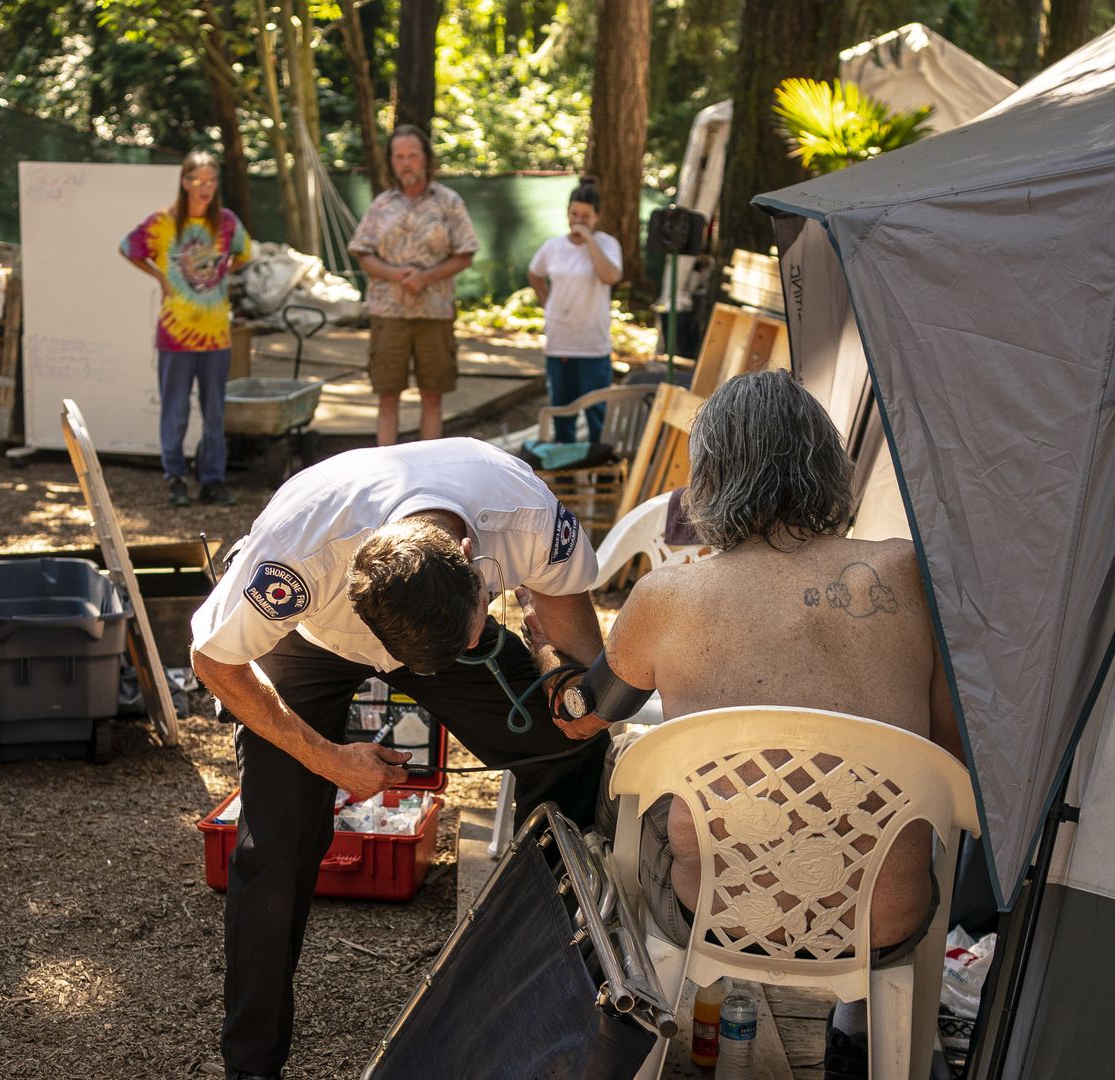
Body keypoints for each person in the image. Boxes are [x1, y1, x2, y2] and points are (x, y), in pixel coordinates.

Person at [523, 370, 964, 1080]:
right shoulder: (909, 573)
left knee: (624, 786)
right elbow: (945, 753)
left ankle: (652, 1012)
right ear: (828, 464)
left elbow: (583, 719)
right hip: (882, 922)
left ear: (709, 477)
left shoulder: (666, 595)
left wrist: (547, 652)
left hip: (722, 915)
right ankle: (862, 1024)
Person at [189, 438, 612, 1080]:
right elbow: (213, 659)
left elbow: (573, 639)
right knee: (278, 840)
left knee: (569, 744)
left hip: (443, 628)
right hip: (314, 639)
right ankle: (251, 1063)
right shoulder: (299, 552)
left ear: (474, 564)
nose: (402, 679)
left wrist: (566, 684)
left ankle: (543, 968)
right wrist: (329, 760)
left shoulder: (524, 514)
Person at [120, 149, 253, 508]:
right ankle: (175, 478)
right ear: (185, 182)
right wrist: (160, 276)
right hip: (174, 336)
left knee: (214, 412)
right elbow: (127, 247)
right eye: (198, 180)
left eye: (211, 181)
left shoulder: (226, 222)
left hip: (216, 337)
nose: (205, 187)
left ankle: (212, 480)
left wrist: (221, 275)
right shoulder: (165, 221)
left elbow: (245, 253)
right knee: (175, 410)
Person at [347, 125, 479, 446]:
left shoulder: (449, 201)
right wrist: (395, 274)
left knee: (432, 395)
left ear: (425, 159)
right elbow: (362, 252)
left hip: (434, 313)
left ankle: (429, 474)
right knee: (387, 395)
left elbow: (466, 253)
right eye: (399, 157)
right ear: (391, 161)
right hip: (388, 312)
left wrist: (426, 277)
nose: (406, 163)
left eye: (412, 156)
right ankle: (386, 474)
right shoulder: (381, 205)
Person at [527, 176, 623, 444]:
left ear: (597, 216)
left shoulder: (607, 244)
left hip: (592, 344)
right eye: (573, 213)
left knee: (597, 416)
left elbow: (609, 277)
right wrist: (547, 302)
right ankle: (566, 476)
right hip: (561, 343)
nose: (578, 220)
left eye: (585, 215)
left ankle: (602, 476)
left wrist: (590, 240)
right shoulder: (553, 246)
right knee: (562, 415)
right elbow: (534, 274)